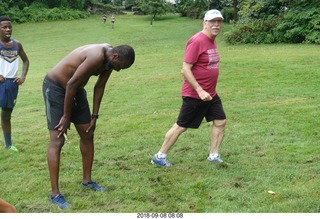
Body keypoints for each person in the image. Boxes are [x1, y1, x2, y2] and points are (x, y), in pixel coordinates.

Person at [42, 43, 135, 209]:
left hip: (75, 89)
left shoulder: (109, 62)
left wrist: (95, 116)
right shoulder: (96, 56)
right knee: (57, 140)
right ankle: (55, 194)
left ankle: (87, 181)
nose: (119, 70)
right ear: (115, 57)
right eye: (120, 67)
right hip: (56, 87)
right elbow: (70, 84)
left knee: (87, 133)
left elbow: (99, 86)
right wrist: (66, 116)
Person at [151, 9, 227, 167]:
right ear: (204, 23)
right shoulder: (197, 40)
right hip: (195, 94)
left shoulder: (212, 40)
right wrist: (199, 90)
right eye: (212, 21)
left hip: (210, 93)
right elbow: (185, 68)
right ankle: (159, 156)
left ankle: (213, 156)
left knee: (220, 121)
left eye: (219, 21)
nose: (216, 24)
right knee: (181, 126)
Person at [0, 16, 29, 152]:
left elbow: (26, 61)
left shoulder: (17, 44)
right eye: (4, 27)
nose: (8, 29)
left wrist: (22, 77)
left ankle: (8, 145)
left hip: (12, 84)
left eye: (9, 26)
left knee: (6, 115)